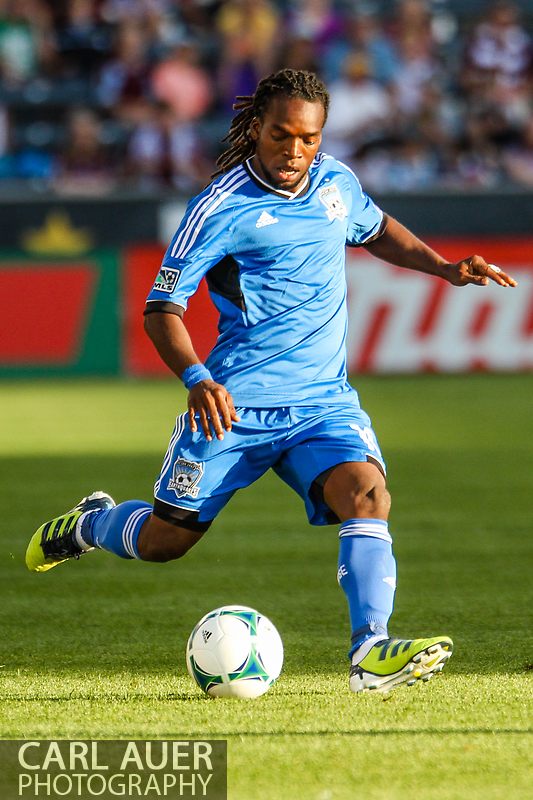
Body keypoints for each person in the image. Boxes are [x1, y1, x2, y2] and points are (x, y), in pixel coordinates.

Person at [26, 69, 517, 694]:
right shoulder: (220, 207)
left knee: (367, 496)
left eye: (309, 139)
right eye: (282, 136)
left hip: (322, 403)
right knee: (164, 541)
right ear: (256, 127)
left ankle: (369, 652)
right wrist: (198, 377)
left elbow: (377, 228)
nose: (295, 152)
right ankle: (92, 522)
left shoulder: (337, 183)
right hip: (234, 409)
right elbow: (161, 310)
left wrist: (443, 267)